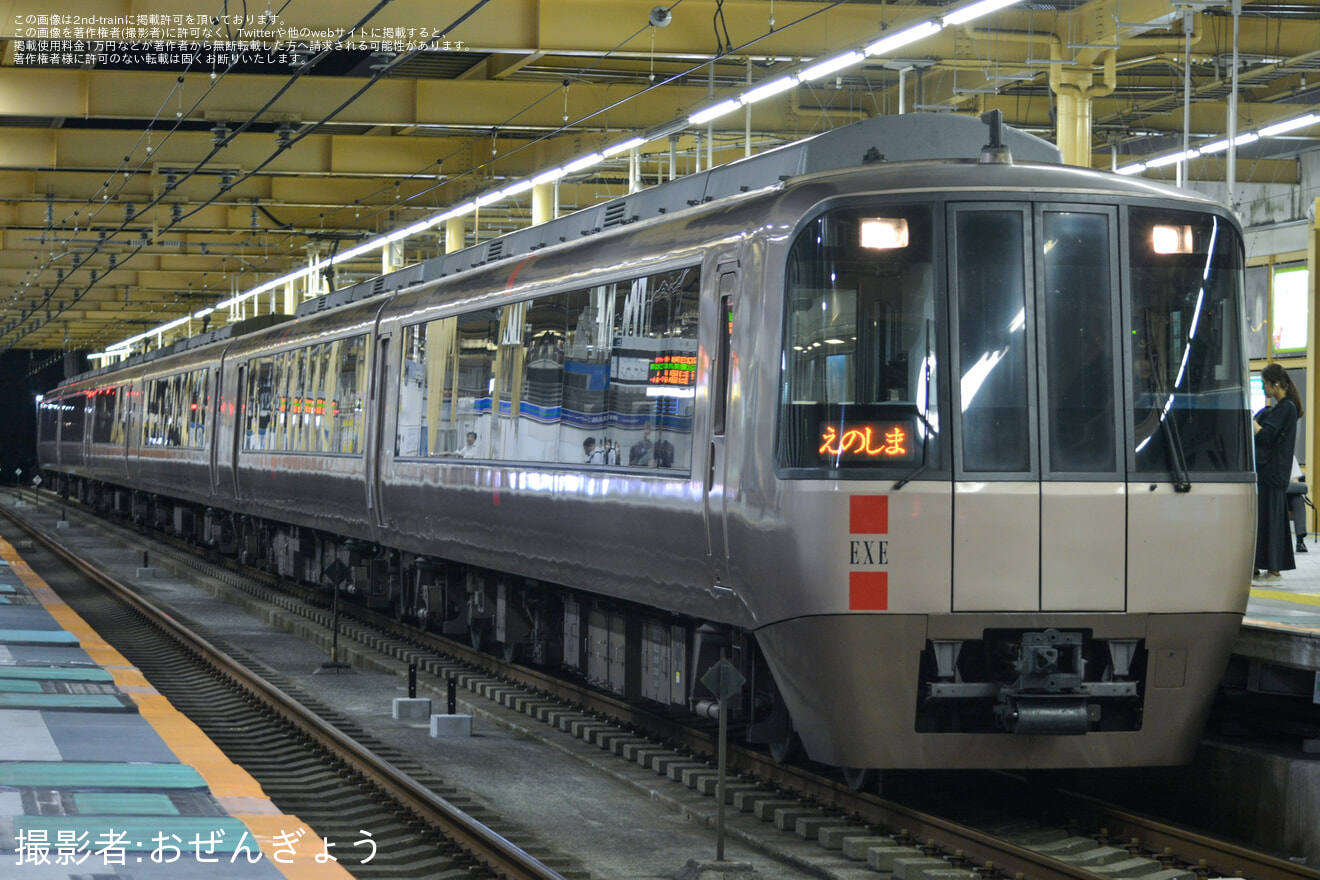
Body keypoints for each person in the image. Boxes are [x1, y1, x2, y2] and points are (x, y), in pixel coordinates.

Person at [1254, 363, 1303, 581]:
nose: (1264, 388)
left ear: (1276, 384)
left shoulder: (1286, 407)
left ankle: (1272, 567)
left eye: (1265, 383)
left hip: (1273, 473)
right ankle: (1269, 566)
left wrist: (1253, 423)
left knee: (1270, 521)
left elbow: (1266, 436)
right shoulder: (1286, 408)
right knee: (1270, 520)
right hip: (1275, 472)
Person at [1287, 457, 1309, 553]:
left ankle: (1300, 541)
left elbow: (1295, 480)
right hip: (1273, 494)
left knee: (1298, 500)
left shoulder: (1290, 457)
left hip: (1287, 494)